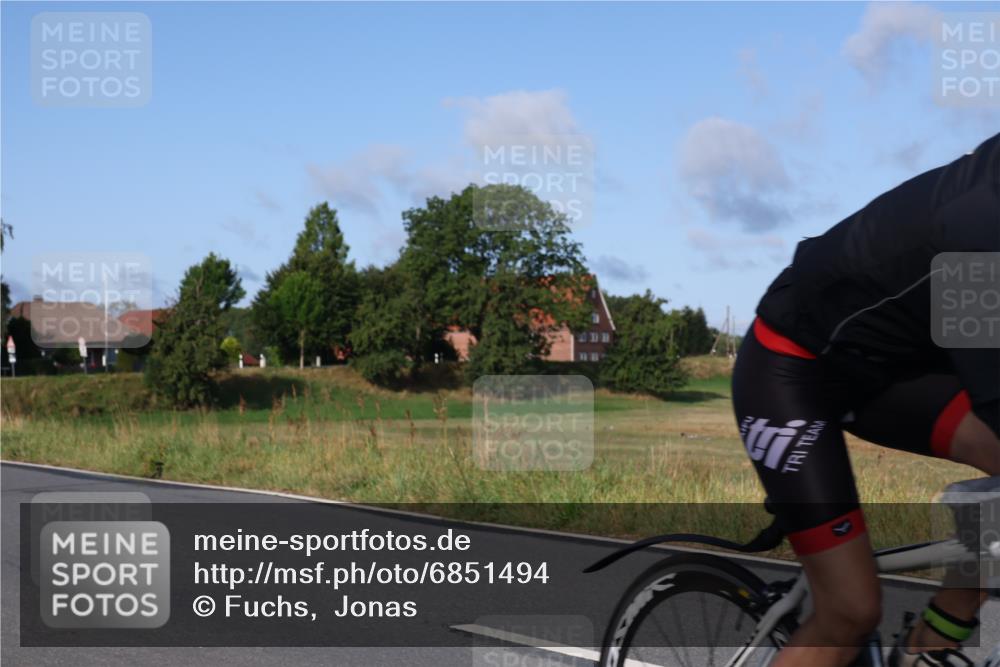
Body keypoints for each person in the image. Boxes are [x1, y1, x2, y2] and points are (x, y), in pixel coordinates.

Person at [732, 133, 999, 667]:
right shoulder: (975, 226)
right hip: (793, 369)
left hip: (888, 373)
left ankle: (921, 652)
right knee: (850, 611)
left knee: (990, 537)